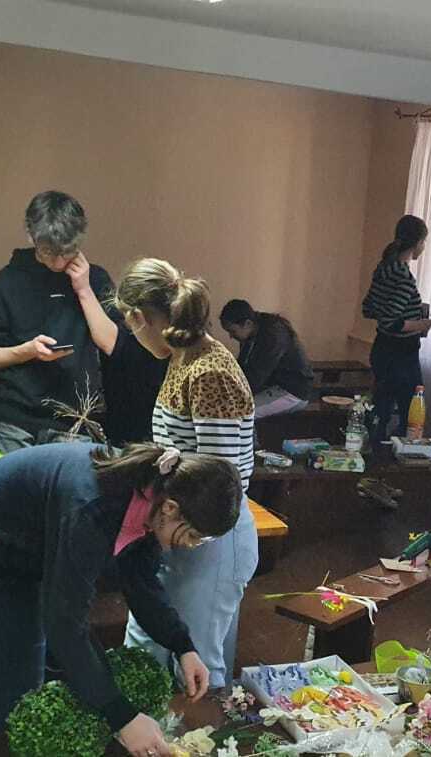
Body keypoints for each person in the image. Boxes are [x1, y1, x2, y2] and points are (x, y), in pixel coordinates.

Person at [0, 442, 238, 757]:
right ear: (171, 508)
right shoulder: (93, 505)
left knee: (23, 696)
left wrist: (182, 646)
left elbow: (142, 584)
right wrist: (122, 717)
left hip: (17, 562)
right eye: (193, 535)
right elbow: (66, 625)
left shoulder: (150, 503)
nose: (191, 545)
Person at [112, 259, 258, 689]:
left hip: (210, 534)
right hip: (183, 529)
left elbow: (219, 484)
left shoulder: (210, 371)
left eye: (129, 325)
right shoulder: (183, 359)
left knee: (195, 669)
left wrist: (181, 535)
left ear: (137, 318)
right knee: (148, 650)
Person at [0, 190, 121, 452]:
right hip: (16, 418)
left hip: (75, 419)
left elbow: (111, 343)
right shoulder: (3, 284)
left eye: (68, 251)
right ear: (31, 236)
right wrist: (28, 350)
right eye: (49, 252)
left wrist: (83, 289)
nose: (59, 261)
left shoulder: (95, 279)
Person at [361, 215, 431, 441]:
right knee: (411, 414)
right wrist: (421, 324)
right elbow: (392, 321)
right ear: (418, 243)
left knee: (380, 409)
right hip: (401, 354)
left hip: (381, 348)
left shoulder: (384, 268)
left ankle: (373, 450)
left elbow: (368, 308)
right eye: (424, 242)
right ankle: (398, 455)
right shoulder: (403, 276)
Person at [219, 298, 315, 418]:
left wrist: (228, 394)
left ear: (247, 324)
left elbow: (255, 377)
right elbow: (242, 368)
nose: (231, 336)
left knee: (238, 414)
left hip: (293, 391)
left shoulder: (272, 335)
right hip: (273, 386)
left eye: (232, 331)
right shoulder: (254, 330)